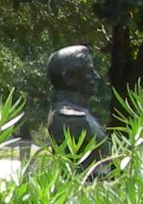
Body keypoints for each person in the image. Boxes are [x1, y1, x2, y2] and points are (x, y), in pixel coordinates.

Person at [45, 45, 110, 178]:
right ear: (69, 77)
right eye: (90, 71)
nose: (97, 77)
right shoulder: (72, 119)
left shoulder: (79, 114)